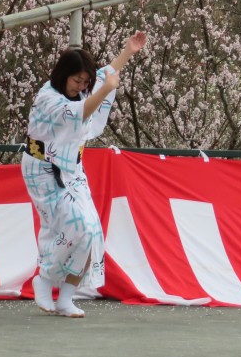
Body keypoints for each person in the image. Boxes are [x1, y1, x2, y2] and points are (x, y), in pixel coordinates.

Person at [22, 31, 147, 317]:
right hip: (42, 169)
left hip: (72, 169)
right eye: (76, 80)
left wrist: (127, 51)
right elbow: (80, 112)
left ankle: (66, 296)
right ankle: (43, 277)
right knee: (71, 224)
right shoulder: (48, 98)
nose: (81, 86)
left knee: (91, 232)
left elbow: (107, 75)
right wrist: (102, 90)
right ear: (62, 76)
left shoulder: (84, 89)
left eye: (85, 82)